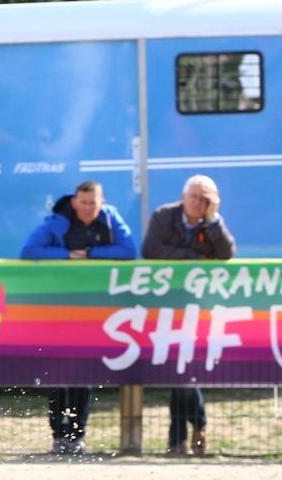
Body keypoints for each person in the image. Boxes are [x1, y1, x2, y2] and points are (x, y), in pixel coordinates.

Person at [20, 180, 137, 455]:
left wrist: (92, 254)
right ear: (74, 202)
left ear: (101, 202)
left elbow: (128, 251)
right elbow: (29, 250)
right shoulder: (56, 222)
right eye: (83, 203)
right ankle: (58, 435)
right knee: (58, 375)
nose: (87, 208)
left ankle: (77, 435)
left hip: (94, 312)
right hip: (57, 311)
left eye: (92, 203)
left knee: (83, 375)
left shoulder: (111, 220)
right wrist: (67, 255)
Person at [141, 174, 235, 456]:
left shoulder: (213, 223)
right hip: (167, 304)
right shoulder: (164, 216)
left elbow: (227, 253)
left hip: (200, 307)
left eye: (205, 198)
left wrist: (214, 221)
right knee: (179, 371)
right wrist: (193, 258)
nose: (198, 202)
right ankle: (193, 428)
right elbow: (151, 250)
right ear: (184, 196)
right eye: (194, 196)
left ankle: (178, 439)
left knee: (185, 371)